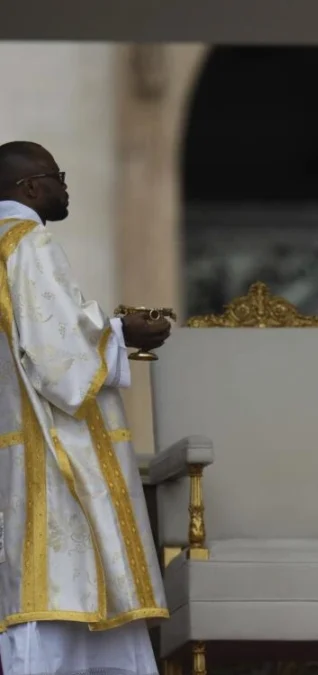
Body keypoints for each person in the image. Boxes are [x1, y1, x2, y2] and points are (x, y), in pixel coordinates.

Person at [0, 141, 171, 675]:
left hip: (18, 433)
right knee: (57, 576)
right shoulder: (28, 242)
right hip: (52, 445)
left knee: (49, 577)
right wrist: (122, 332)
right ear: (29, 188)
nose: (65, 186)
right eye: (57, 176)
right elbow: (56, 356)